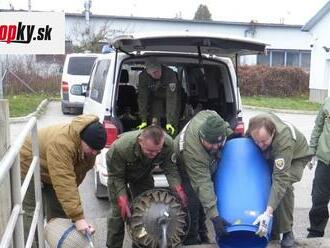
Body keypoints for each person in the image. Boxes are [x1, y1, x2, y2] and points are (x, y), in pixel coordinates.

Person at [20, 115, 107, 247]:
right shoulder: (62, 144)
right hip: (28, 163)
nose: (95, 153)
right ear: (81, 140)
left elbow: (73, 180)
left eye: (98, 150)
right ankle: (31, 245)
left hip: (51, 169)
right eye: (92, 148)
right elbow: (65, 181)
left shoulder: (90, 150)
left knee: (60, 213)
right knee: (31, 213)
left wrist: (77, 218)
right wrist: (78, 217)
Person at [106, 125, 187, 248]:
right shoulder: (121, 148)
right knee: (118, 214)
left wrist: (178, 189)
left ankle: (141, 244)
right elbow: (117, 177)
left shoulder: (167, 144)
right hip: (118, 174)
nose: (154, 154)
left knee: (146, 210)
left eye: (157, 151)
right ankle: (113, 245)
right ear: (140, 141)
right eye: (150, 151)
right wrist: (123, 199)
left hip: (142, 174)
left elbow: (171, 170)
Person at [246, 112, 313, 248]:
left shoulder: (284, 140)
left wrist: (267, 213)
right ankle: (273, 231)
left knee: (284, 186)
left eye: (264, 141)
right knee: (266, 183)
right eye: (257, 141)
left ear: (273, 133)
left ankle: (287, 231)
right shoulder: (254, 126)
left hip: (296, 158)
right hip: (273, 154)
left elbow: (280, 179)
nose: (260, 145)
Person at [173, 110, 234, 244]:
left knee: (206, 199)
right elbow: (203, 184)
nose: (214, 147)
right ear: (202, 137)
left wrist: (232, 136)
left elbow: (223, 126)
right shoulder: (193, 150)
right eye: (210, 144)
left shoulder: (211, 118)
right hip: (184, 164)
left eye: (218, 143)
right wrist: (215, 218)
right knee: (192, 201)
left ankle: (203, 234)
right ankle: (191, 239)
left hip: (205, 161)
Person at [137, 57, 180, 136]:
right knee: (154, 118)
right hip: (155, 99)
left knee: (173, 121)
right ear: (148, 73)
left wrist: (169, 121)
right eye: (153, 73)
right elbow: (143, 98)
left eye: (157, 71)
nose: (156, 74)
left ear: (161, 67)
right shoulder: (143, 76)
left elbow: (171, 99)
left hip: (171, 97)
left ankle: (172, 140)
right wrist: (143, 119)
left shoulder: (170, 74)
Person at [307, 97, 330, 238]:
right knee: (318, 198)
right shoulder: (327, 102)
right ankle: (316, 231)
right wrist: (312, 151)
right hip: (324, 161)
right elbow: (318, 128)